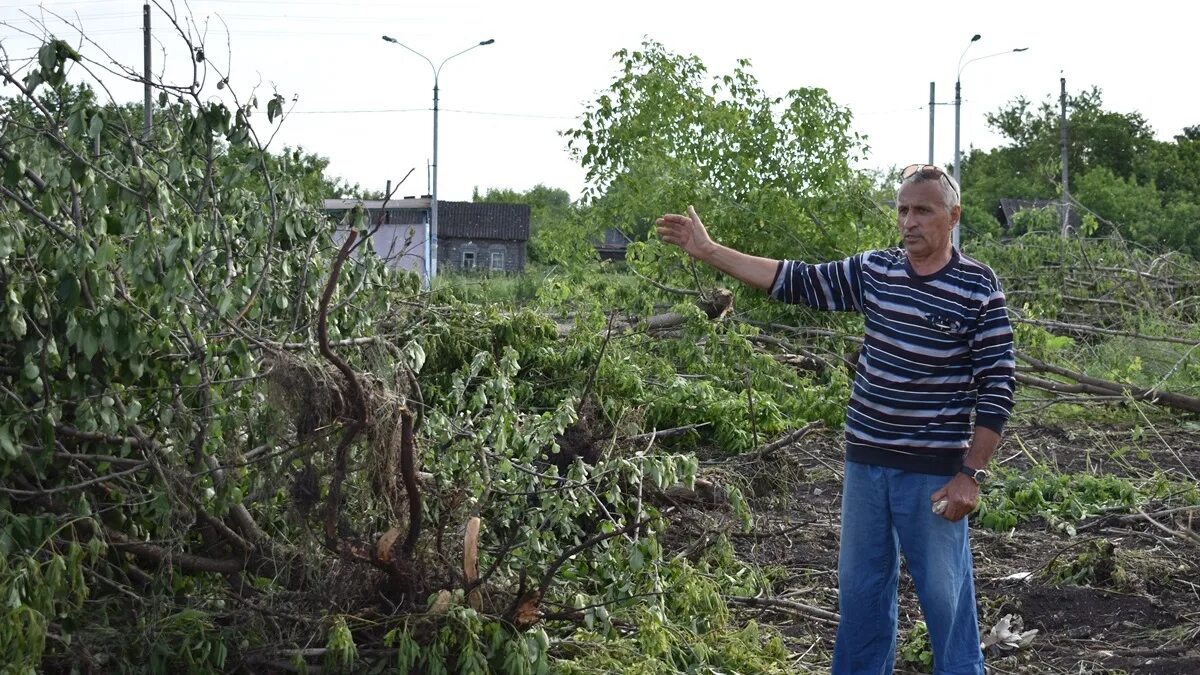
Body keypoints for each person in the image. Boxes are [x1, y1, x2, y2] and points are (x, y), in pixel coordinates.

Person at [656, 164, 1016, 675]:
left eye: (923, 210)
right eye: (902, 210)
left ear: (953, 217)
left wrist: (970, 475)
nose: (909, 221)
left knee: (947, 604)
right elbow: (796, 280)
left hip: (934, 474)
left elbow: (998, 386)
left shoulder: (977, 286)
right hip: (866, 467)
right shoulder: (878, 272)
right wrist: (710, 251)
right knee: (862, 597)